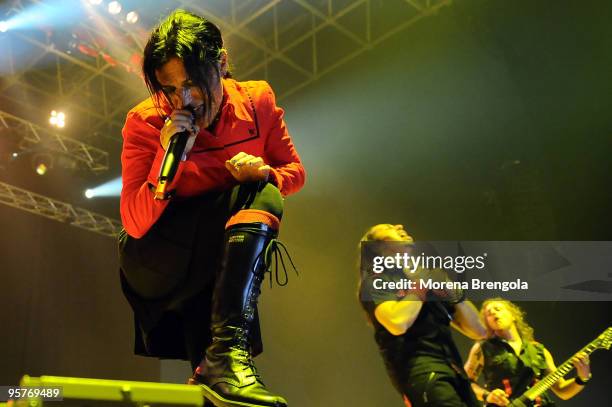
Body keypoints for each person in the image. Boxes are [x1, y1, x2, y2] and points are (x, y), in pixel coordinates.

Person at [118, 9, 305, 407]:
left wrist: (265, 171)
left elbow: (295, 172)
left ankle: (214, 367)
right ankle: (218, 359)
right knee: (261, 196)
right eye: (169, 89)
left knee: (265, 190)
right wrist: (168, 157)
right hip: (157, 257)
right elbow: (134, 224)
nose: (181, 100)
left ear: (220, 63)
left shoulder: (257, 102)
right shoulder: (146, 122)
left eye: (191, 84)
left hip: (211, 258)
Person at [358, 224, 487, 407]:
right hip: (422, 371)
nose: (399, 226)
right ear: (380, 248)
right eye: (389, 227)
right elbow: (397, 322)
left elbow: (479, 330)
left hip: (455, 371)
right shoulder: (377, 281)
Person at [463, 298, 592, 406]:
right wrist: (487, 395)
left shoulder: (538, 350)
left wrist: (582, 378)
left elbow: (562, 390)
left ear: (513, 315)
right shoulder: (483, 348)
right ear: (487, 323)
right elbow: (464, 383)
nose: (493, 313)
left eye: (497, 309)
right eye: (488, 314)